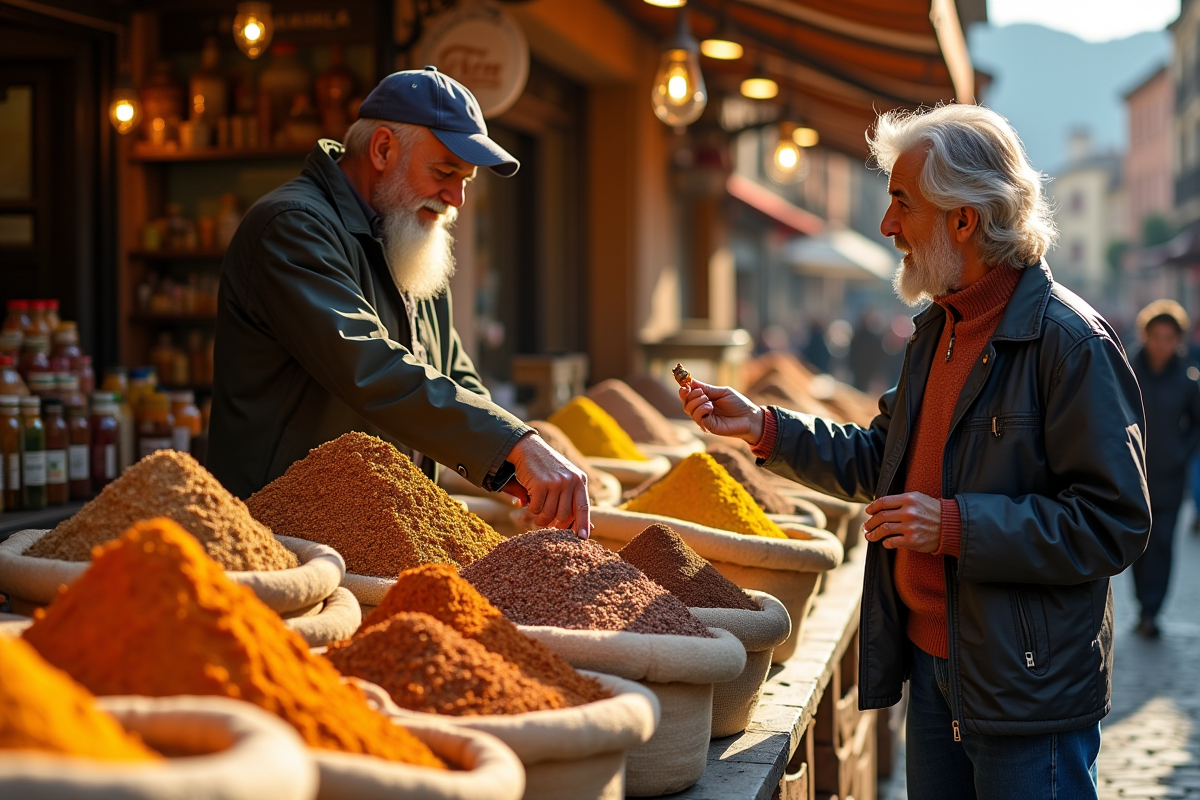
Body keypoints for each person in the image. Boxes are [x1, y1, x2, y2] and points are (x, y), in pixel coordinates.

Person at [679, 104, 1150, 800]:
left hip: (1027, 694)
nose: (887, 225)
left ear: (964, 218)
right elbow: (883, 458)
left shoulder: (1071, 343)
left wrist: (955, 526)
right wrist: (765, 429)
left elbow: (1114, 523)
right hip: (935, 674)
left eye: (903, 203)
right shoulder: (939, 329)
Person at [207, 67, 590, 539]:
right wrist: (517, 444)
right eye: (444, 171)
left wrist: (512, 465)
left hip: (367, 530)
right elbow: (370, 367)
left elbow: (453, 373)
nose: (457, 198)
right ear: (383, 149)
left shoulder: (407, 232)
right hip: (274, 529)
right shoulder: (291, 226)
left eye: (466, 179)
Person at [1129, 300, 1200, 637]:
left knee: (1162, 544)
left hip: (1170, 479)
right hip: (1131, 476)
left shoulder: (1188, 380)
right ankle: (1143, 600)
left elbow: (1196, 425)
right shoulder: (1127, 370)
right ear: (1145, 335)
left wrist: (1181, 453)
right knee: (1137, 542)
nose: (1161, 343)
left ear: (1178, 340)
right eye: (1156, 336)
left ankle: (1151, 611)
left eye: (1169, 337)